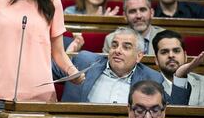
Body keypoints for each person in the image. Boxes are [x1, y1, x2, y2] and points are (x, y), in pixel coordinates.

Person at [54, 27, 190, 103]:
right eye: (114, 45)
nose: (117, 50)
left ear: (139, 56)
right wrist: (65, 57)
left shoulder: (151, 78)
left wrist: (180, 76)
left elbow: (175, 111)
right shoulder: (85, 61)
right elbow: (47, 71)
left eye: (126, 47)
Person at [152, 30, 204, 106]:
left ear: (185, 56)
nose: (171, 55)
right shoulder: (148, 84)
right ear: (156, 60)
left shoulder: (202, 82)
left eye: (176, 51)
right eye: (164, 52)